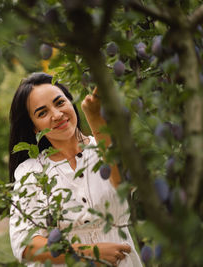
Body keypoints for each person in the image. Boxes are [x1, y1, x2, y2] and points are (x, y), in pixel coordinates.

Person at [8, 72, 142, 267]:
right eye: (42, 113)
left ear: (71, 102)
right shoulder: (32, 171)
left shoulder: (107, 147)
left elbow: (124, 184)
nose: (57, 115)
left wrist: (96, 119)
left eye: (60, 103)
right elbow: (25, 244)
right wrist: (90, 253)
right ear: (34, 128)